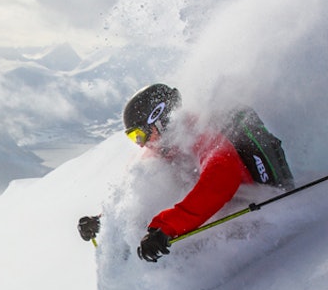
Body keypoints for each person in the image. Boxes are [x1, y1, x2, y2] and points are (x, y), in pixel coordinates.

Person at [79, 83, 291, 263]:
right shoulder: (163, 148)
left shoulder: (198, 130)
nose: (141, 144)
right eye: (134, 138)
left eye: (141, 134)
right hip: (225, 210)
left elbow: (221, 178)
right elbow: (138, 192)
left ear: (160, 119)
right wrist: (105, 220)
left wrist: (167, 226)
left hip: (262, 212)